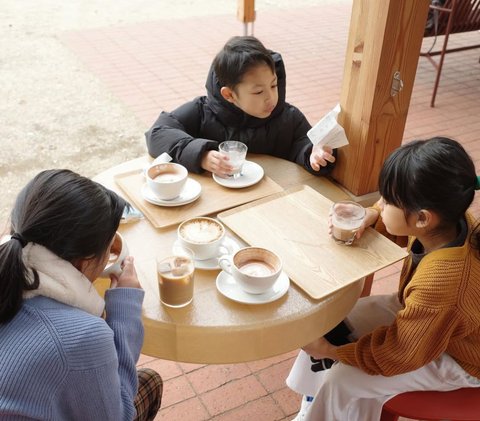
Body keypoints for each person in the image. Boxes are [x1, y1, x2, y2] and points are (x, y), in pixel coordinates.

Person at [286, 137, 480, 421]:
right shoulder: (451, 220)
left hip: (460, 357)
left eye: (388, 200)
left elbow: (400, 354)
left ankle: (324, 408)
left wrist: (331, 351)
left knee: (342, 378)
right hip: (427, 322)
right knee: (329, 318)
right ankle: (316, 402)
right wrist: (372, 214)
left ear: (423, 219)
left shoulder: (442, 284)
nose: (381, 202)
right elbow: (399, 223)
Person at [0, 169, 162, 421]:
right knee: (149, 382)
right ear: (86, 261)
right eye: (108, 248)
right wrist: (124, 309)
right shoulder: (80, 336)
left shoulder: (9, 267)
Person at [145, 35, 336, 177]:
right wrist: (200, 154)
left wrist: (314, 154)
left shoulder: (289, 117)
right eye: (258, 92)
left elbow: (304, 144)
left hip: (270, 206)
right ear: (229, 95)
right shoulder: (202, 112)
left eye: (273, 85)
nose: (271, 98)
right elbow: (157, 133)